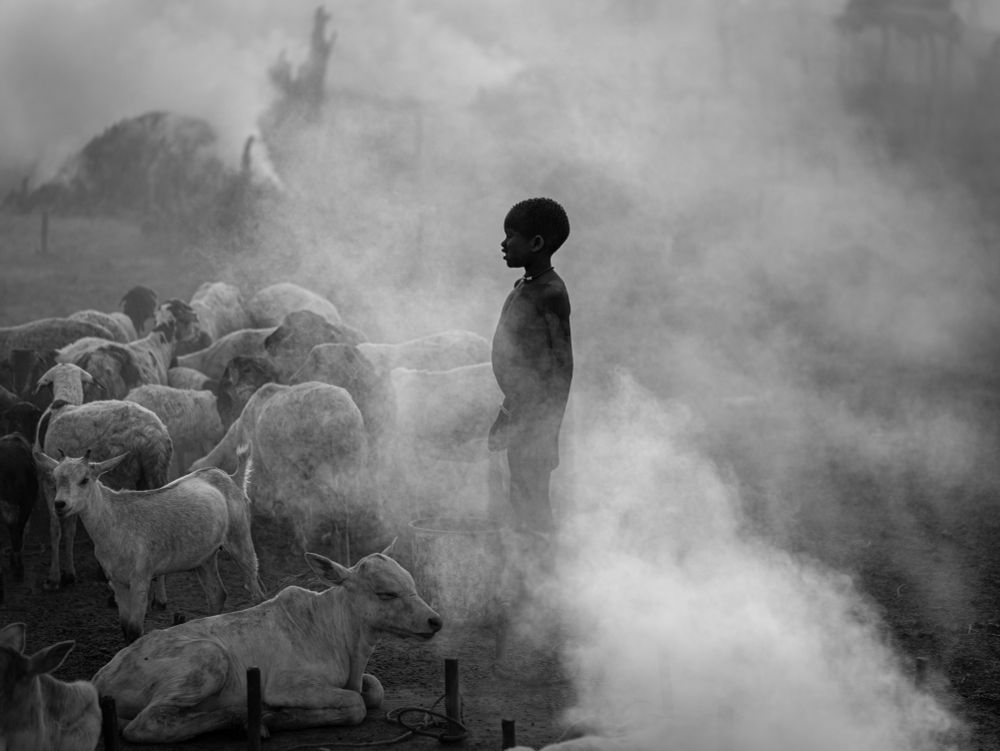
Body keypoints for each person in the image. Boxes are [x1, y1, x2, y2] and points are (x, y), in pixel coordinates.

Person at [489, 197, 573, 536]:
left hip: (538, 417)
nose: (503, 243)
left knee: (533, 496)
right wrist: (507, 413)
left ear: (536, 243)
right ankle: (528, 571)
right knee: (519, 492)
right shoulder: (524, 285)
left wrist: (548, 428)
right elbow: (519, 367)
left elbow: (563, 366)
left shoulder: (552, 292)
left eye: (511, 235)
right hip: (521, 409)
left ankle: (545, 569)